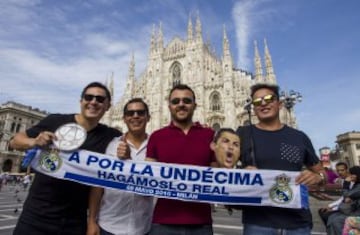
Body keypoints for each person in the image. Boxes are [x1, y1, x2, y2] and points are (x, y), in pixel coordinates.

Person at [10, 82, 122, 235]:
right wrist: (33, 141)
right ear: (81, 101)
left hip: (74, 222)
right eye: (89, 97)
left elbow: (101, 181)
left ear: (108, 106)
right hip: (35, 217)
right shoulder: (55, 121)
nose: (94, 102)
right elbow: (15, 141)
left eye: (100, 99)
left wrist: (125, 152)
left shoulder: (110, 136)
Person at [236, 83, 326, 235]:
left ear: (280, 103)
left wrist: (318, 177)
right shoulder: (243, 134)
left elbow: (323, 173)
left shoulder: (299, 137)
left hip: (298, 223)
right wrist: (241, 173)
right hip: (258, 223)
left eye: (269, 99)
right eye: (257, 101)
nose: (263, 103)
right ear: (253, 108)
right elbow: (222, 167)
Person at [146, 84, 217, 235]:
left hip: (201, 223)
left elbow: (218, 175)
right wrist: (124, 163)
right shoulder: (157, 137)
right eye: (175, 101)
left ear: (195, 105)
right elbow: (147, 176)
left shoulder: (210, 135)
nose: (181, 105)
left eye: (186, 101)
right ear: (169, 105)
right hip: (163, 222)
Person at [87, 98, 153, 235]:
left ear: (148, 117)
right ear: (124, 118)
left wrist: (129, 162)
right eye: (130, 113)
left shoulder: (156, 147)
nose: (135, 116)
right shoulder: (110, 145)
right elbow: (97, 185)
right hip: (108, 226)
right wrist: (92, 220)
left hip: (143, 228)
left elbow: (155, 186)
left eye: (140, 112)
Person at [326, 166, 360, 235]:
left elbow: (346, 196)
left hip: (356, 212)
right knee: (331, 218)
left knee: (336, 221)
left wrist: (346, 184)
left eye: (351, 174)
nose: (350, 176)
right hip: (352, 210)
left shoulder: (358, 186)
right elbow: (345, 197)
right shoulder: (356, 184)